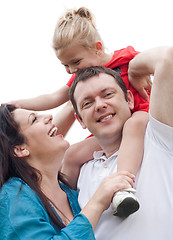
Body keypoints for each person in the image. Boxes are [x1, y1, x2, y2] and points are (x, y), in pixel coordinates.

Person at [9, 7, 151, 216]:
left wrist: (141, 71)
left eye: (75, 62)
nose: (71, 70)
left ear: (98, 48)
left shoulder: (125, 59)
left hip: (138, 117)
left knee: (133, 125)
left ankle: (124, 186)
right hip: (106, 132)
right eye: (65, 65)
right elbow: (53, 98)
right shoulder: (79, 79)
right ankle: (67, 209)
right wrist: (15, 104)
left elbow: (155, 65)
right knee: (73, 154)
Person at [67, 46, 173, 240]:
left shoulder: (158, 138)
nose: (100, 105)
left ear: (130, 100)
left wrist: (133, 70)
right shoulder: (81, 171)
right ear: (80, 120)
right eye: (87, 103)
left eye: (108, 94)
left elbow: (169, 58)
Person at [0, 104, 134, 240]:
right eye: (34, 119)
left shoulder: (73, 193)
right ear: (20, 149)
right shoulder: (12, 195)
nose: (49, 116)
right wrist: (97, 202)